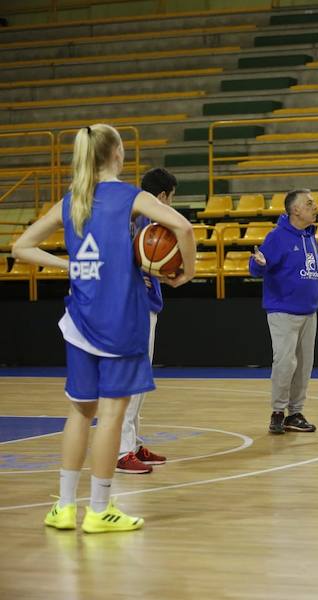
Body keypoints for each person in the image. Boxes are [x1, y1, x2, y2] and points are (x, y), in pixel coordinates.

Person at [12, 123, 195, 533]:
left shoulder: (72, 199)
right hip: (120, 321)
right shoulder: (131, 196)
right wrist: (186, 273)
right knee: (111, 415)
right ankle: (98, 510)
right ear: (117, 155)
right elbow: (184, 227)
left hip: (79, 320)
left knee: (79, 413)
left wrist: (70, 264)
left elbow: (20, 247)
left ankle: (62, 507)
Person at [250, 189, 318, 434]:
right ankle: (277, 412)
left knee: (304, 366)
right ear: (295, 210)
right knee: (284, 363)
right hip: (283, 311)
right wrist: (257, 263)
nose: (315, 206)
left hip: (309, 311)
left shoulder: (309, 236)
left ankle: (294, 413)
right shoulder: (277, 237)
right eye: (309, 203)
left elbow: (317, 266)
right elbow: (257, 264)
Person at [116, 167, 178, 475]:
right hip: (135, 307)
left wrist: (161, 273)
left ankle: (133, 442)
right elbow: (126, 259)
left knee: (140, 380)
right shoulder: (141, 219)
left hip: (147, 303)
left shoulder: (146, 219)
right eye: (172, 198)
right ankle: (122, 450)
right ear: (163, 195)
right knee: (133, 380)